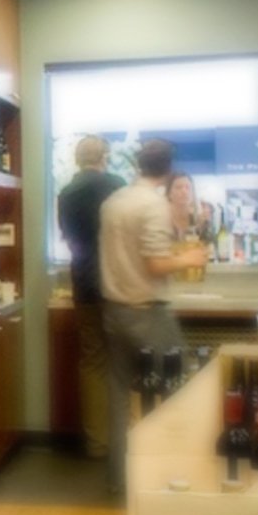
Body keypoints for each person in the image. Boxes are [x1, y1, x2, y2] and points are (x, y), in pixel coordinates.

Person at [100, 140, 210, 494]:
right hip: (148, 311)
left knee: (120, 400)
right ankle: (169, 477)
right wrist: (191, 259)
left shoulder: (114, 201)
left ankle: (122, 479)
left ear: (138, 163)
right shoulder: (154, 206)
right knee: (177, 392)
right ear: (167, 168)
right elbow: (155, 263)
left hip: (113, 309)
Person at [57, 136, 124, 464]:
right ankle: (127, 440)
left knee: (93, 362)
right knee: (123, 361)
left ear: (77, 159)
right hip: (119, 284)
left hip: (83, 284)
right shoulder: (117, 186)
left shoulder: (66, 194)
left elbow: (70, 240)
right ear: (105, 157)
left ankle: (97, 443)